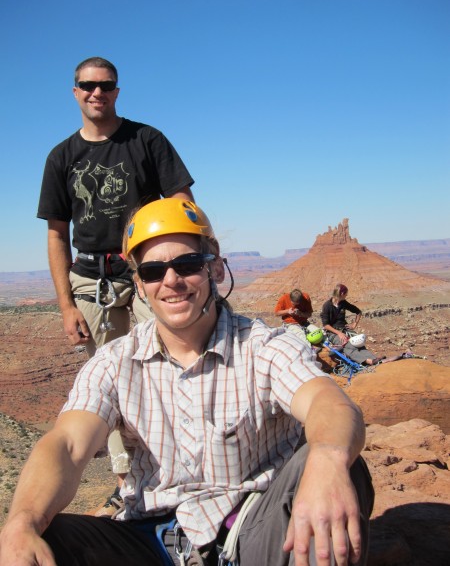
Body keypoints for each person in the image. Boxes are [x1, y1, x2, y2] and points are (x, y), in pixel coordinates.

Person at [0, 199, 374, 566]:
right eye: (153, 271)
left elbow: (329, 403)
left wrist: (328, 457)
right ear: (139, 284)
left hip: (251, 532)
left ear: (215, 269)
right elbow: (66, 444)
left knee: (341, 468)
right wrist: (22, 521)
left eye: (188, 264)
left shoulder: (264, 348)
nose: (171, 281)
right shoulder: (115, 363)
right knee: (36, 538)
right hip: (150, 540)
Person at [36, 56, 195, 516]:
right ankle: (129, 485)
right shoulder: (61, 157)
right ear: (75, 92)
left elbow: (182, 202)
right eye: (87, 85)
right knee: (113, 381)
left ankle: (178, 465)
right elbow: (56, 235)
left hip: (145, 272)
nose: (96, 93)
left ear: (117, 91)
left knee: (168, 362)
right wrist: (66, 306)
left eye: (105, 85)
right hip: (91, 281)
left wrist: (183, 264)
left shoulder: (146, 140)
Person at [320, 284, 381, 366]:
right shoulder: (327, 306)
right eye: (346, 294)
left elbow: (358, 312)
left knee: (359, 343)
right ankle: (367, 361)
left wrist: (354, 324)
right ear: (342, 294)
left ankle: (374, 359)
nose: (346, 295)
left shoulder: (343, 303)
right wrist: (339, 333)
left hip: (345, 329)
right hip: (333, 333)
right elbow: (326, 325)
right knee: (348, 345)